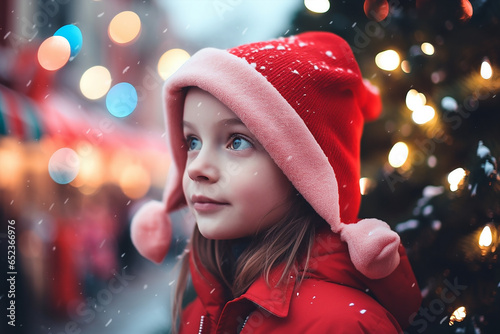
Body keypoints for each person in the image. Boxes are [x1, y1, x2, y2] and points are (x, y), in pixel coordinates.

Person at [131, 31, 422, 333]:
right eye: (192, 141)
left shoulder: (343, 324)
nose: (197, 168)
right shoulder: (200, 312)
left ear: (304, 176)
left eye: (237, 142)